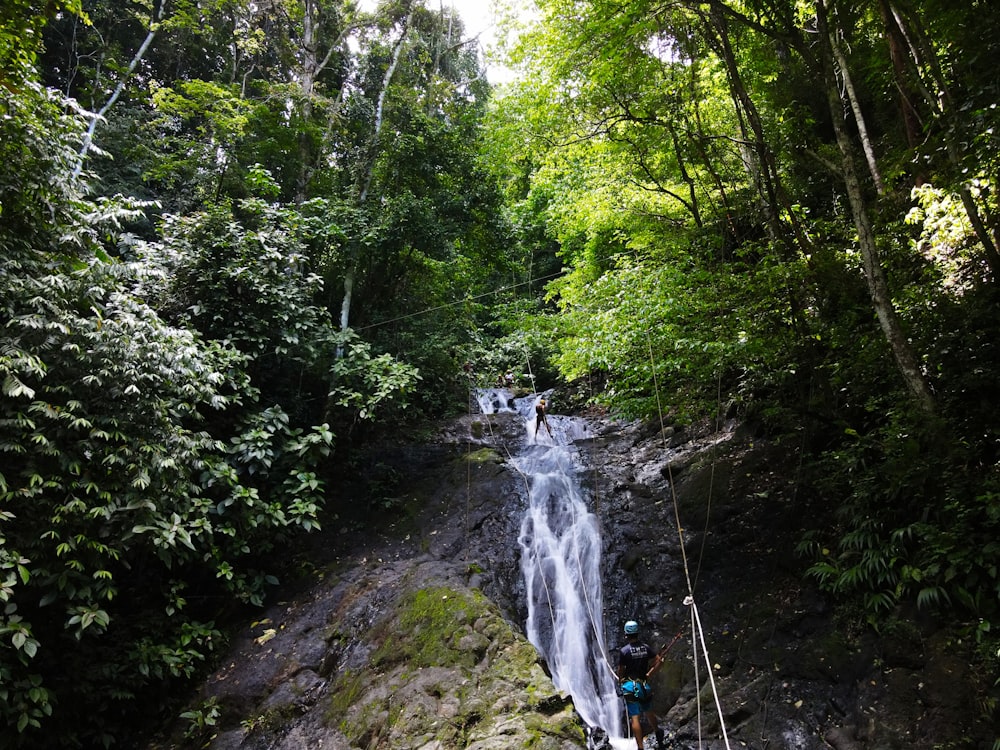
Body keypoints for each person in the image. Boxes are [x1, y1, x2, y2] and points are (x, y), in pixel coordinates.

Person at [616, 620, 666, 750]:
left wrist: (620, 680)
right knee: (649, 711)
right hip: (643, 685)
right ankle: (657, 732)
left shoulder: (624, 651)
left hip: (630, 687)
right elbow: (660, 661)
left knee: (635, 718)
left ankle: (640, 747)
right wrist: (650, 674)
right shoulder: (645, 648)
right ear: (637, 633)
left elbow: (621, 670)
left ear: (626, 635)